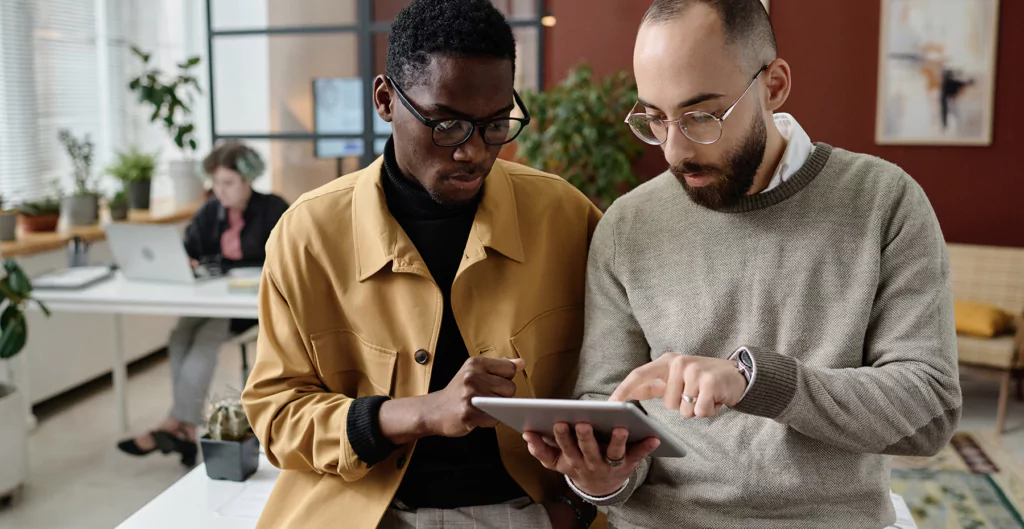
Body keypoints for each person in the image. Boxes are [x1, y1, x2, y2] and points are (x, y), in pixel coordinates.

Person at [523, 1, 961, 528]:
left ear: (773, 86)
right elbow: (611, 402)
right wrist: (602, 475)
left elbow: (929, 411)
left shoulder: (884, 202)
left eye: (701, 116)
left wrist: (754, 380)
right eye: (655, 119)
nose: (673, 151)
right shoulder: (627, 225)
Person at [241, 1, 603, 528]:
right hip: (364, 512)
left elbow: (623, 377)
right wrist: (419, 413)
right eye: (447, 124)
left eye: (496, 123)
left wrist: (571, 511)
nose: (474, 151)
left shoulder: (565, 217)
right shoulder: (308, 236)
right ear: (386, 99)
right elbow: (275, 417)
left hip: (529, 512)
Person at [118, 141, 288, 466]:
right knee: (179, 336)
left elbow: (288, 256)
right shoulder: (210, 211)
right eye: (216, 184)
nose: (220, 191)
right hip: (212, 298)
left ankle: (175, 424)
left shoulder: (274, 208)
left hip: (249, 307)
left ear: (248, 179)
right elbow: (190, 250)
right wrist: (188, 262)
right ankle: (183, 427)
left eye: (228, 183)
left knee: (205, 338)